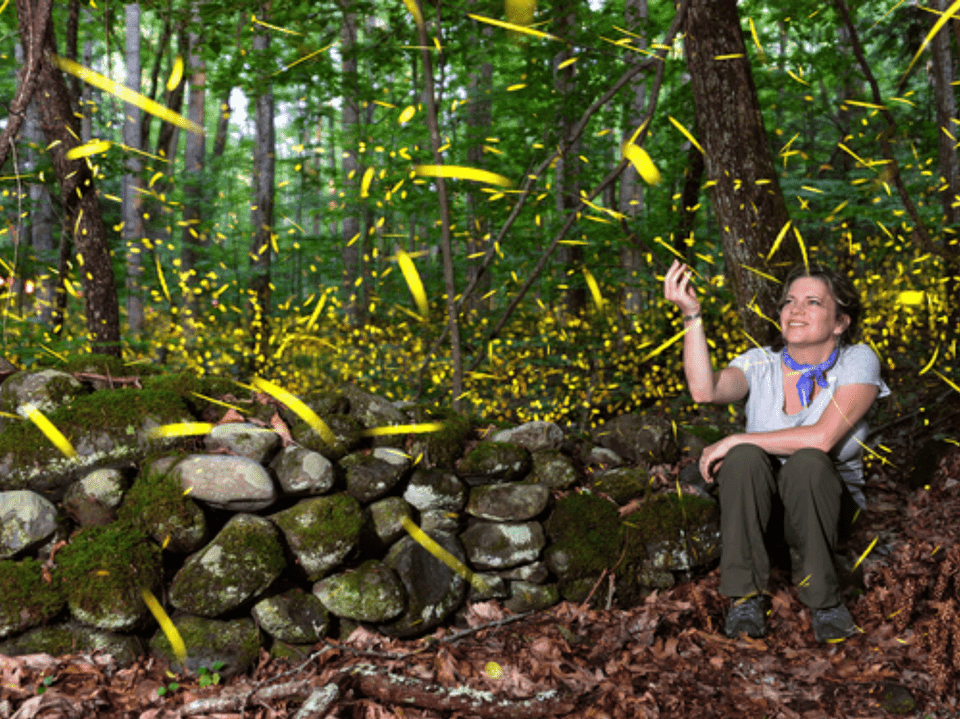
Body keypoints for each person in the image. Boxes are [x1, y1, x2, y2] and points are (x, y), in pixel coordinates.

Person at [663, 258, 890, 643]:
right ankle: (745, 598)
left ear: (840, 322)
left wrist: (738, 437)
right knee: (745, 460)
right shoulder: (759, 364)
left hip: (828, 510)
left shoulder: (858, 361)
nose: (795, 309)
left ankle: (825, 601)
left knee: (807, 462)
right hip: (760, 515)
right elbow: (705, 391)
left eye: (813, 302)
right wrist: (692, 315)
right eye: (789, 301)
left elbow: (821, 438)